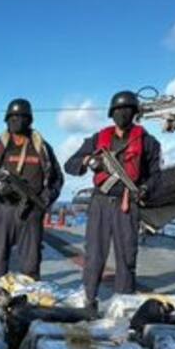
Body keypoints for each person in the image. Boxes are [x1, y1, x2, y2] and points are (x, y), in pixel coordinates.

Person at [65, 90, 162, 304]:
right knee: (94, 254)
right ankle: (88, 298)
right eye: (118, 110)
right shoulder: (98, 139)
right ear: (111, 113)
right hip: (100, 202)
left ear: (135, 113)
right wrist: (89, 161)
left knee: (127, 255)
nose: (122, 113)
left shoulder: (148, 142)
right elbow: (70, 165)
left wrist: (145, 189)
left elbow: (156, 175)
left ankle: (123, 301)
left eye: (127, 110)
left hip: (127, 204)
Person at [0, 98, 63, 279]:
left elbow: (57, 178)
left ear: (29, 120)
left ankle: (29, 296)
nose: (16, 121)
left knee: (31, 266)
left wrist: (45, 198)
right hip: (2, 211)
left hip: (31, 212)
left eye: (21, 117)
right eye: (13, 117)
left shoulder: (42, 147)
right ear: (7, 120)